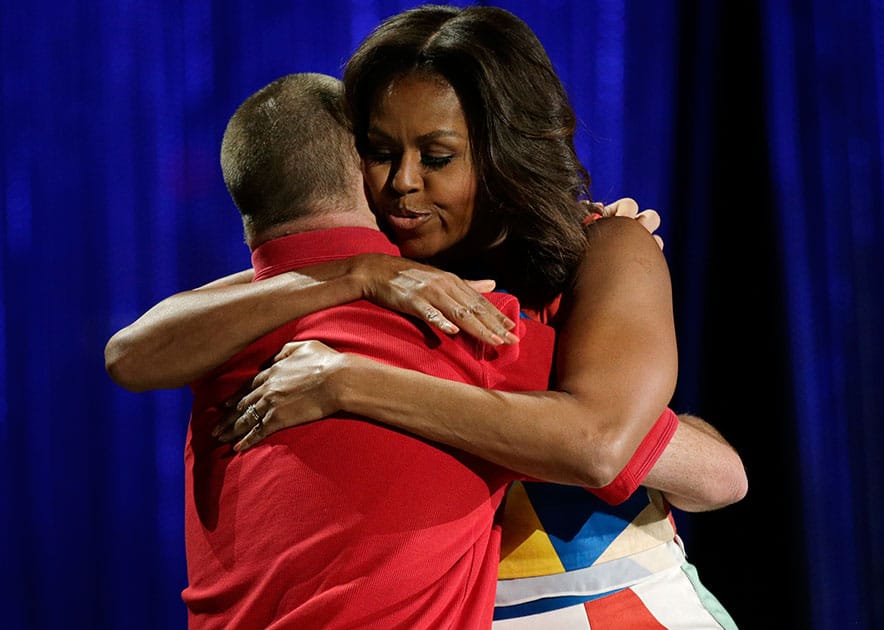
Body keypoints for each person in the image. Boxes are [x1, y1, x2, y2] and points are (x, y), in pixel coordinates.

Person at [105, 5, 746, 628]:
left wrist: (350, 383)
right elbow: (133, 352)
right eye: (380, 152)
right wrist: (358, 274)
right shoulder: (365, 275)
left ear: (501, 152)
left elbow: (628, 451)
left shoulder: (600, 249)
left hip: (617, 607)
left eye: (437, 158)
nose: (402, 183)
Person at [179, 71, 562, 629]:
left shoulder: (207, 345)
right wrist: (611, 260)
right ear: (361, 171)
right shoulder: (467, 324)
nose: (406, 181)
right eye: (385, 153)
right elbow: (713, 475)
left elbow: (127, 354)